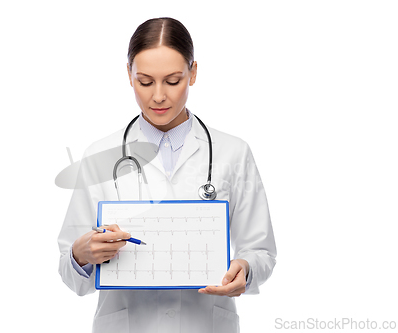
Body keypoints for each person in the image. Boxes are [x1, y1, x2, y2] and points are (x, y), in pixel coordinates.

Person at [57, 17, 277, 333]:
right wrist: (81, 255)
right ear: (129, 75)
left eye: (173, 81)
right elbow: (70, 272)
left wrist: (245, 269)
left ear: (194, 72)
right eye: (145, 82)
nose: (158, 96)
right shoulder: (99, 156)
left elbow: (261, 251)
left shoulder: (233, 152)